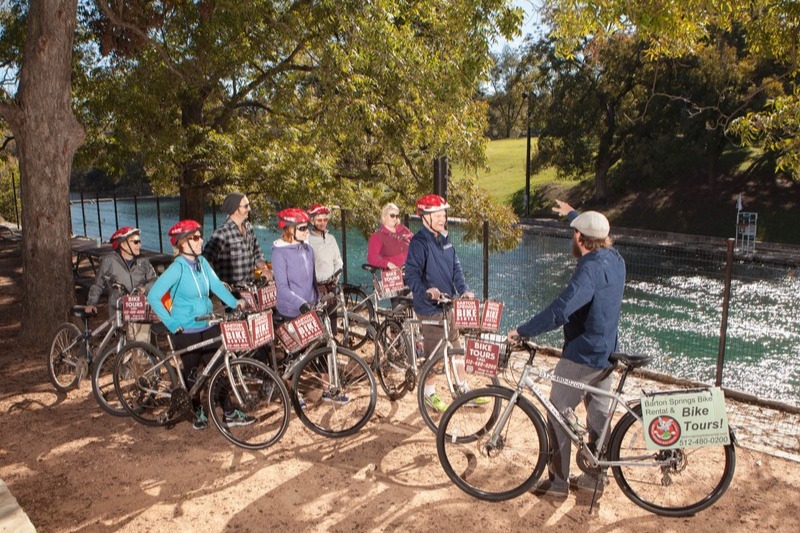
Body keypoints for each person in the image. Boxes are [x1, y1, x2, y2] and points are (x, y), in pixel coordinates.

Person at [508, 199, 626, 499]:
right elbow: (594, 230)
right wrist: (574, 215)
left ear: (579, 239)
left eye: (573, 232)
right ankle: (595, 477)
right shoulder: (615, 259)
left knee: (557, 411)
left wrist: (523, 330)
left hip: (582, 354)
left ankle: (558, 483)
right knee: (599, 415)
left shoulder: (588, 270)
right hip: (606, 353)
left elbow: (561, 310)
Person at [147, 219, 252, 430]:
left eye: (200, 236)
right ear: (182, 244)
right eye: (195, 237)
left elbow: (216, 286)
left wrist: (235, 302)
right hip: (185, 328)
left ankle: (229, 412)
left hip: (208, 322)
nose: (200, 240)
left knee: (216, 370)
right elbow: (153, 296)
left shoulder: (202, 263)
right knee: (192, 374)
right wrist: (171, 322)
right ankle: (197, 411)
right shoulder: (177, 269)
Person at [404, 194, 481, 413]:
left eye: (444, 214)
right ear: (425, 217)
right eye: (437, 215)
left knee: (456, 348)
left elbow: (456, 268)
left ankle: (463, 389)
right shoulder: (419, 242)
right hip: (429, 308)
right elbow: (411, 275)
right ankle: (429, 394)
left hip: (449, 305)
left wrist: (464, 290)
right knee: (435, 356)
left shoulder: (445, 239)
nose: (443, 218)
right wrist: (426, 291)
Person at [271, 208, 346, 405]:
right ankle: (292, 392)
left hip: (311, 307)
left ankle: (329, 389)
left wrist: (318, 299)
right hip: (291, 309)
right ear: (289, 230)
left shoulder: (308, 249)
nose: (307, 231)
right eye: (302, 228)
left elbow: (312, 280)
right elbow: (282, 287)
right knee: (295, 353)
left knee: (320, 347)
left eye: (306, 227)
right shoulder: (279, 252)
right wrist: (301, 303)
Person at [84, 226, 157, 342]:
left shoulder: (143, 261)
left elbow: (155, 281)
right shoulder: (109, 261)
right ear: (123, 244)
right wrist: (91, 303)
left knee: (140, 348)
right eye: (136, 242)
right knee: (123, 348)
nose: (140, 245)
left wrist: (145, 289)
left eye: (140, 241)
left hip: (139, 309)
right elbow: (98, 284)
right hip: (118, 309)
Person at [203, 192, 272, 286]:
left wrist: (264, 268)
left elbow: (257, 253)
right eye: (246, 206)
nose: (249, 208)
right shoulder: (222, 233)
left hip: (251, 288)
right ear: (235, 209)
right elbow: (205, 260)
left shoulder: (248, 228)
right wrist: (216, 284)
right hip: (231, 294)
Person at [367, 203, 413, 270]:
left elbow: (417, 244)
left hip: (413, 271)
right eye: (392, 215)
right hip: (393, 276)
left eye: (397, 216)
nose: (395, 218)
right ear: (384, 216)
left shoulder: (404, 230)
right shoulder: (377, 237)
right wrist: (388, 264)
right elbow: (372, 259)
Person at [306, 203, 343, 283]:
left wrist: (335, 277)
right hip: (316, 285)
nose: (323, 223)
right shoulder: (307, 240)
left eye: (325, 220)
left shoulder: (331, 238)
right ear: (312, 221)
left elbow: (338, 261)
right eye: (319, 220)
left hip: (332, 284)